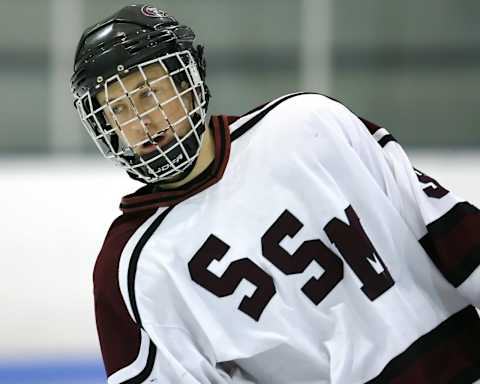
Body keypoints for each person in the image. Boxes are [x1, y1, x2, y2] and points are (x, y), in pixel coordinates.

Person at [70, 4, 480, 384]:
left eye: (148, 92)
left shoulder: (308, 126)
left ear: (189, 82)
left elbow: (451, 232)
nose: (142, 120)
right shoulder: (132, 269)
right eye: (118, 109)